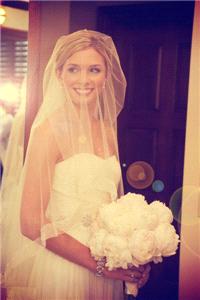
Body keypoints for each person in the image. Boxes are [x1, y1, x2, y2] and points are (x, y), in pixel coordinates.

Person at [2, 30, 150, 300]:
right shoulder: (49, 132)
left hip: (105, 266)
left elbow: (109, 205)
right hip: (65, 269)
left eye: (94, 69)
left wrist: (133, 254)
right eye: (73, 69)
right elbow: (31, 223)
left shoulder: (106, 130)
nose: (84, 79)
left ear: (106, 77)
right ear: (59, 75)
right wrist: (103, 268)